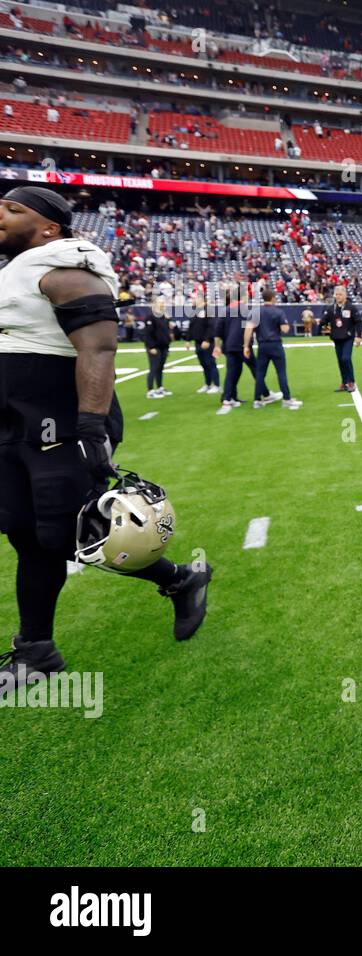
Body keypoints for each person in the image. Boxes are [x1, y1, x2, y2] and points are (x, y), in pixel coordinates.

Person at [0, 187, 212, 693]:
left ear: (50, 227)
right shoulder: (17, 272)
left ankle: (180, 579)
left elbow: (98, 349)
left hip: (61, 426)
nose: (0, 217)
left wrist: (92, 427)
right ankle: (37, 650)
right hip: (14, 428)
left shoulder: (65, 268)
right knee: (27, 536)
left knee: (66, 535)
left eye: (13, 210)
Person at [243, 289, 301, 410]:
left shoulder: (256, 312)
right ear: (273, 298)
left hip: (262, 346)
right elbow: (285, 329)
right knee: (281, 372)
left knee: (260, 374)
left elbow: (248, 329)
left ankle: (257, 400)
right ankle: (286, 398)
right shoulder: (278, 312)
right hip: (275, 344)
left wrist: (246, 346)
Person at [320, 285, 362, 392]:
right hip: (336, 338)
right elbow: (323, 321)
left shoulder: (351, 307)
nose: (338, 296)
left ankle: (351, 382)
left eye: (340, 294)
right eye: (336, 294)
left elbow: (358, 322)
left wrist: (358, 336)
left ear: (345, 295)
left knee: (346, 358)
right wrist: (323, 325)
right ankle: (344, 382)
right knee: (340, 361)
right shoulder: (331, 308)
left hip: (348, 337)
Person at [188, 295, 221, 395]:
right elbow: (191, 326)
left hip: (207, 343)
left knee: (211, 363)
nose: (194, 300)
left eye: (196, 298)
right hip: (198, 342)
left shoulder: (209, 310)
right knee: (203, 364)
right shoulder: (195, 311)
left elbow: (211, 326)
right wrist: (188, 340)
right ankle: (208, 384)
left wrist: (207, 340)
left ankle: (217, 385)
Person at [141, 296, 172, 399]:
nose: (163, 304)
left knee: (160, 368)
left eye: (163, 302)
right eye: (160, 303)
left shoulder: (164, 317)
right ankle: (150, 391)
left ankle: (159, 388)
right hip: (155, 347)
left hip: (163, 347)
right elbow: (147, 334)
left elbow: (166, 333)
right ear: (155, 304)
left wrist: (168, 345)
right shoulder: (150, 317)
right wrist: (151, 347)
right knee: (153, 368)